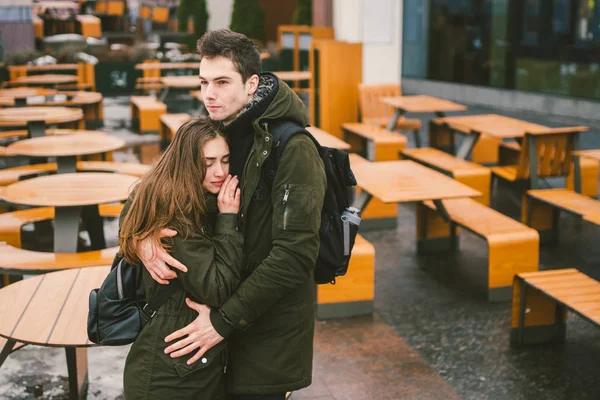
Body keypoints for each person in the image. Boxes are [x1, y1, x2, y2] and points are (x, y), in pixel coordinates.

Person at [129, 29, 327, 400]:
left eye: (222, 82)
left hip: (266, 337)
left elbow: (295, 256)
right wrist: (140, 237)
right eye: (204, 82)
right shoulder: (217, 129)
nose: (209, 94)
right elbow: (147, 193)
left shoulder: (294, 149)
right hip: (219, 333)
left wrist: (222, 322)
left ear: (252, 84)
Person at [119, 117, 244, 400]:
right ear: (188, 162)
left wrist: (137, 238)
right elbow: (216, 288)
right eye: (208, 162)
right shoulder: (179, 213)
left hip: (179, 365)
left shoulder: (167, 191)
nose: (220, 172)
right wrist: (228, 220)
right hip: (171, 376)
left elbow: (133, 203)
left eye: (225, 160)